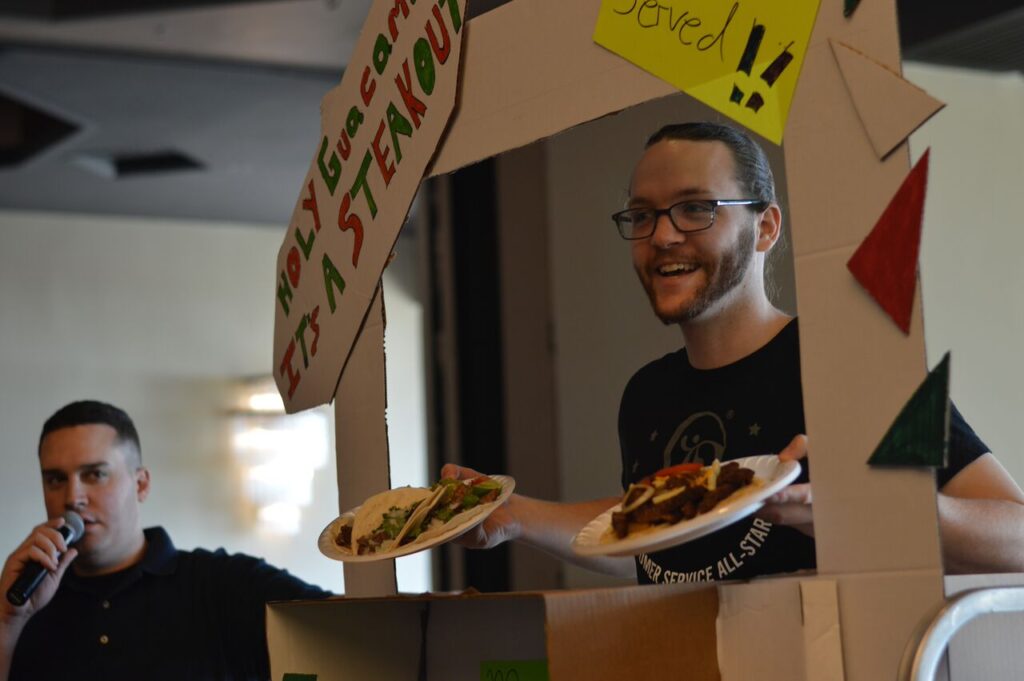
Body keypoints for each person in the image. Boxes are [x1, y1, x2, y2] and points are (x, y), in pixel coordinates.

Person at [443, 121, 1024, 583]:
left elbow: (1016, 535)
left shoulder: (847, 366)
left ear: (765, 228)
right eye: (643, 215)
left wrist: (857, 511)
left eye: (696, 208)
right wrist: (511, 514)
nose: (663, 235)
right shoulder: (647, 395)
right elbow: (656, 553)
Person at [0, 400, 330, 681]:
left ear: (141, 485)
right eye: (56, 479)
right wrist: (7, 620)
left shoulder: (227, 584)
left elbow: (352, 634)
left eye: (95, 474)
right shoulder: (22, 601)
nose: (73, 497)